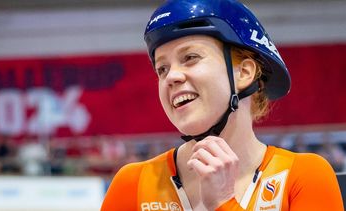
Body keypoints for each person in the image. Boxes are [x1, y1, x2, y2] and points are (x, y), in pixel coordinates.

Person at [101, 0, 344, 210]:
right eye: (162, 69)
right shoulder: (132, 184)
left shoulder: (305, 176)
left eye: (190, 58)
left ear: (244, 73)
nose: (171, 77)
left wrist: (224, 202)